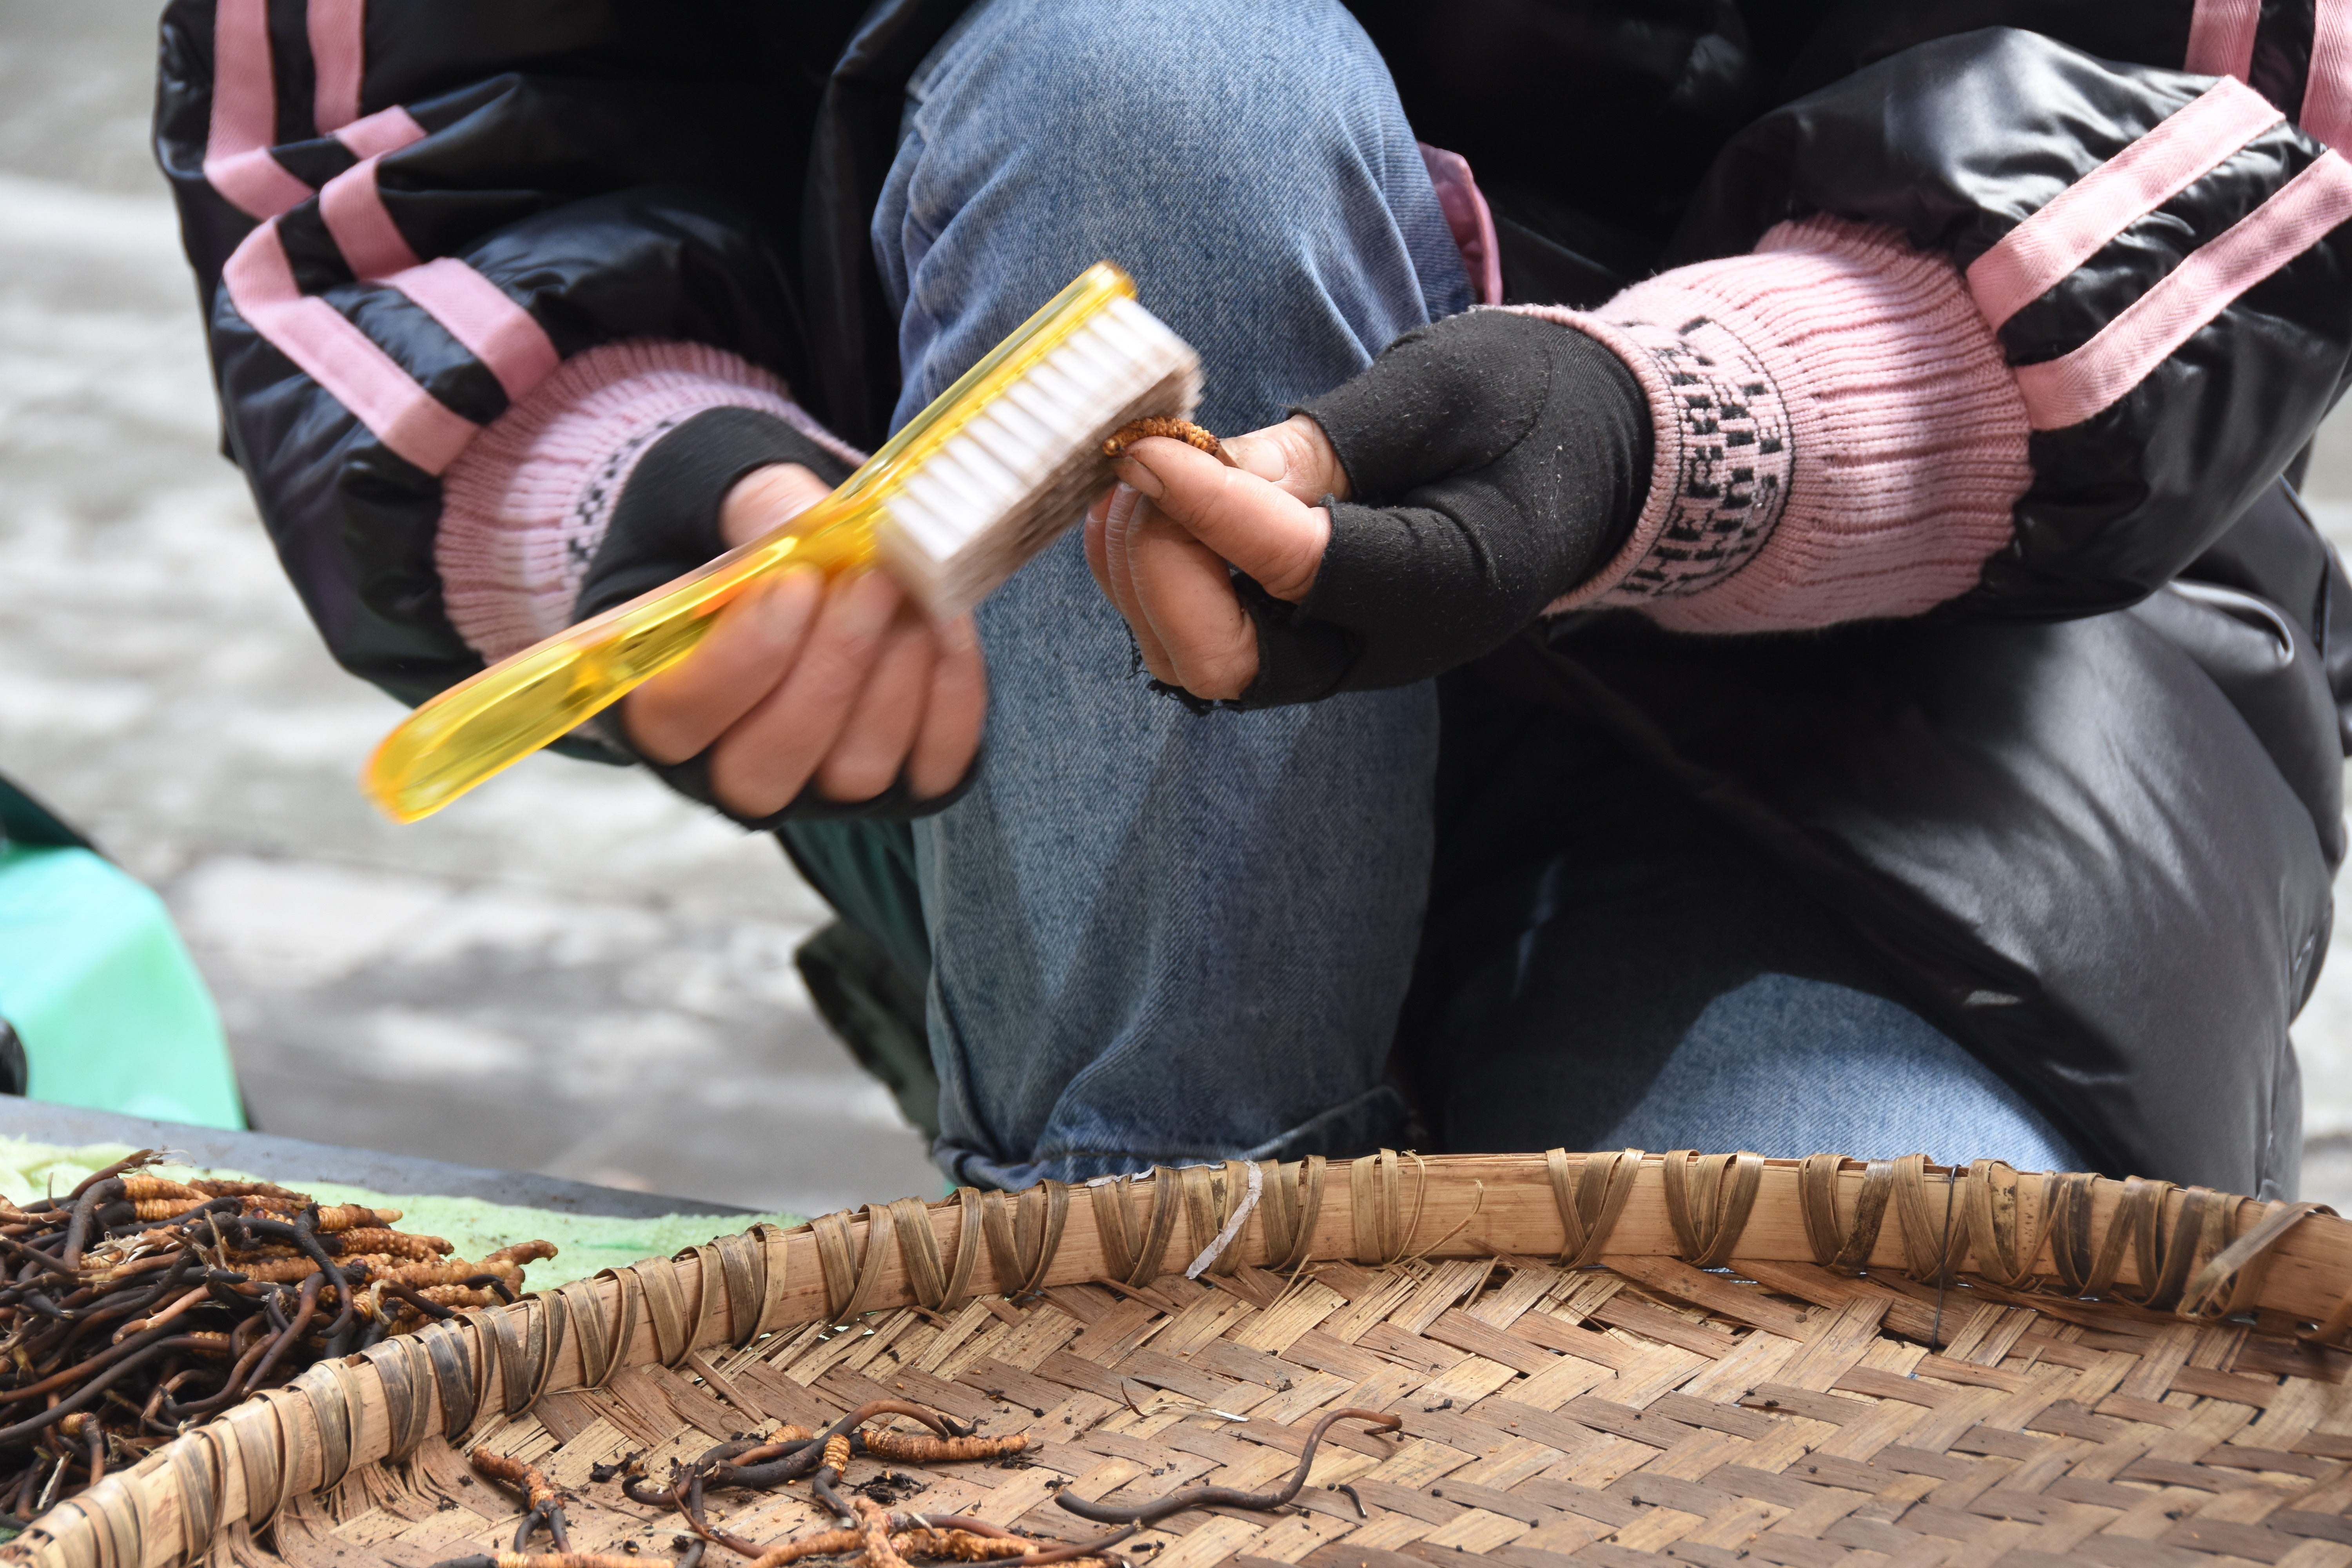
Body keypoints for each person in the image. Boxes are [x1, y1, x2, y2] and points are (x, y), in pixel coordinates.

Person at [157, 0, 2352, 1200]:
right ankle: (1145, 1263)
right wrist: (638, 466)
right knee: (1148, 67)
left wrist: (1677, 427)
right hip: (1055, 696)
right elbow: (403, 151)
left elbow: (2244, 115)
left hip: (1915, 704)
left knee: (1866, 1377)